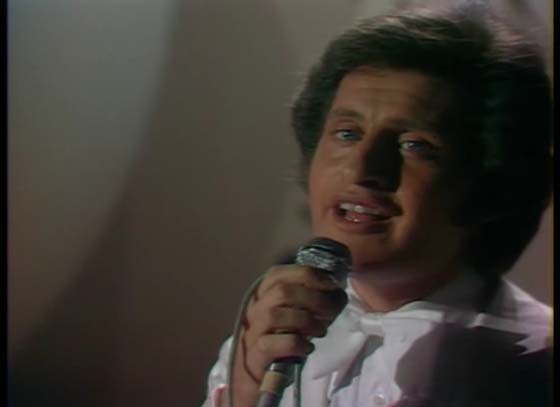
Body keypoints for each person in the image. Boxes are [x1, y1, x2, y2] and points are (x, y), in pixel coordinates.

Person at [202, 3, 552, 406]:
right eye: (347, 134)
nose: (363, 169)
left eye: (414, 145)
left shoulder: (536, 359)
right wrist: (247, 388)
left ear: (492, 181)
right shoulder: (272, 335)